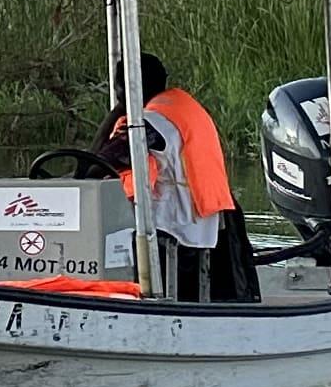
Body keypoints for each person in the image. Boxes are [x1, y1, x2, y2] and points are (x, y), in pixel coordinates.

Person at [100, 54, 258, 301]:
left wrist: (120, 109)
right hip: (207, 219)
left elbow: (99, 163)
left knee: (111, 232)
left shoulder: (151, 123)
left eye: (119, 87)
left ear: (128, 87)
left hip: (178, 225)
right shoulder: (179, 106)